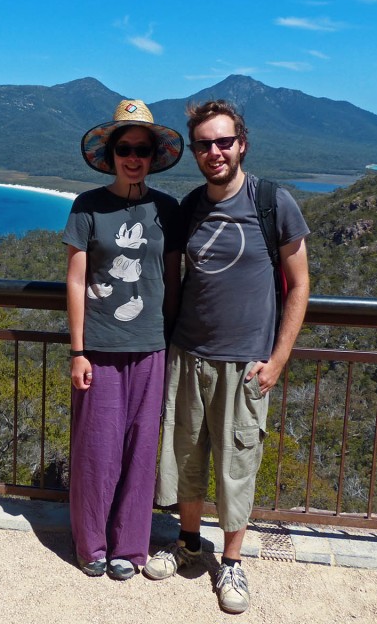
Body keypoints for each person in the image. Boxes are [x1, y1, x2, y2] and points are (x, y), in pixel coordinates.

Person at [144, 99, 310, 614]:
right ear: (194, 151)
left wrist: (278, 360)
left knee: (237, 465)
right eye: (204, 144)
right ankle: (189, 544)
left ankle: (232, 562)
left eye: (223, 142)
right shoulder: (190, 207)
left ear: (242, 145)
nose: (214, 151)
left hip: (246, 363)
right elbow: (173, 281)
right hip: (189, 355)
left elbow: (301, 284)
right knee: (186, 457)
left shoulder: (272, 202)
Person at [62, 99, 184, 581]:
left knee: (141, 449)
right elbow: (76, 281)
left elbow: (172, 280)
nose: (133, 158)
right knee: (97, 448)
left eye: (142, 150)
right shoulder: (87, 206)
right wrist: (78, 350)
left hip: (152, 346)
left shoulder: (167, 209)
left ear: (153, 156)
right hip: (100, 347)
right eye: (125, 149)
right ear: (110, 155)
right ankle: (91, 542)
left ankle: (131, 547)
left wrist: (171, 341)